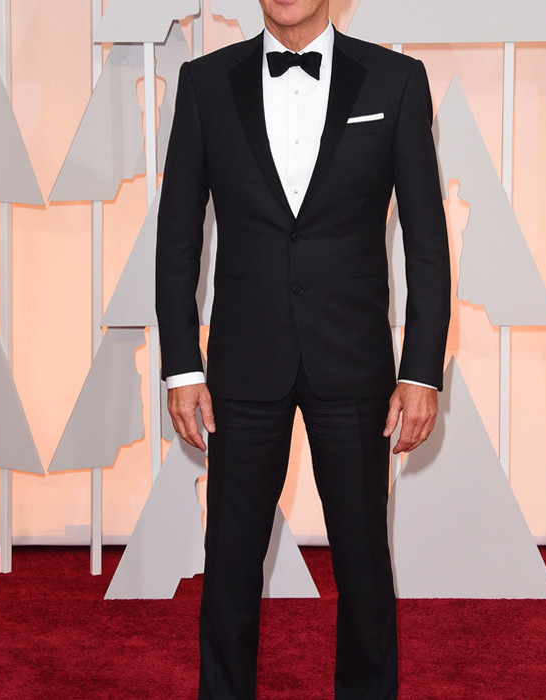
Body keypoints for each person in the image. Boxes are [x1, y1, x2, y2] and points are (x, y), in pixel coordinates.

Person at [155, 1, 450, 698]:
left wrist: (421, 372)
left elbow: (427, 243)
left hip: (353, 362)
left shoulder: (396, 81)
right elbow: (177, 239)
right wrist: (182, 365)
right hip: (241, 365)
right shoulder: (205, 83)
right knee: (229, 564)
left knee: (364, 566)